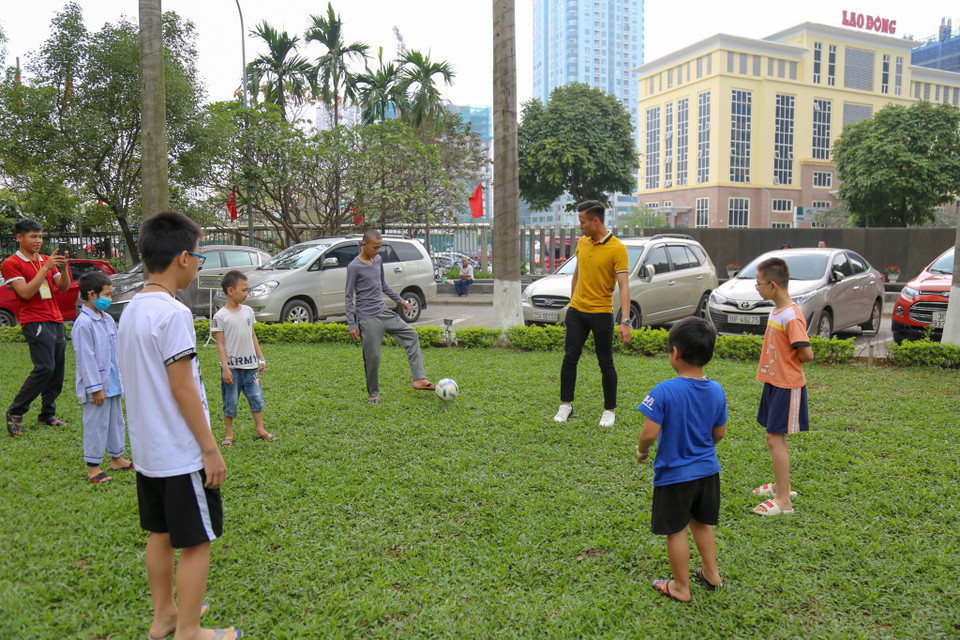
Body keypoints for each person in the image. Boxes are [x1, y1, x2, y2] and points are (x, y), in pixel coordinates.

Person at [117, 211, 240, 640]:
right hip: (180, 451)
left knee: (160, 534)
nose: (199, 264)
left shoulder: (131, 309)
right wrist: (209, 448)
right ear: (183, 258)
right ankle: (189, 630)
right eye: (200, 257)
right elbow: (183, 389)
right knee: (196, 542)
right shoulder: (172, 314)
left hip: (149, 451)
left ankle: (165, 615)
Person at [636, 317, 727, 602]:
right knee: (701, 524)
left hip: (675, 476)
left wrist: (642, 451)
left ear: (675, 352)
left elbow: (649, 434)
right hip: (708, 473)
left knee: (675, 530)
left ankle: (680, 587)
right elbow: (719, 433)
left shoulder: (664, 390)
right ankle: (712, 575)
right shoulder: (717, 390)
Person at [554, 200, 632, 427]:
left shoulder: (617, 248)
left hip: (601, 313)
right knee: (570, 358)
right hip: (577, 311)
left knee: (605, 362)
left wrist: (625, 321)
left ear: (595, 221)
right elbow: (577, 272)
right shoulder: (583, 243)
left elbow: (624, 286)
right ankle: (565, 405)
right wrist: (572, 301)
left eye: (582, 222)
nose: (580, 226)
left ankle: (609, 410)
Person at [751, 257, 814, 516]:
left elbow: (807, 354)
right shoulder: (777, 310)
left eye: (759, 284)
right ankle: (781, 486)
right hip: (774, 382)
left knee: (774, 437)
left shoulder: (790, 315)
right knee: (774, 435)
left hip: (787, 385)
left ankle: (783, 500)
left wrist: (786, 364)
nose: (758, 288)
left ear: (773, 285)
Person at [346, 229, 435, 404]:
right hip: (367, 318)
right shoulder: (354, 266)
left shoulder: (378, 260)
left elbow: (383, 284)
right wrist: (352, 324)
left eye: (380, 247)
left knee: (411, 335)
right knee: (373, 358)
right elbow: (349, 296)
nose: (378, 251)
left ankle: (419, 379)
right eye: (375, 247)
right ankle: (373, 395)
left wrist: (400, 300)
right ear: (364, 245)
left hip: (383, 312)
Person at [2, 218, 71, 436]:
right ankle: (15, 411)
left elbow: (63, 287)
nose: (38, 240)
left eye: (40, 236)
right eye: (33, 236)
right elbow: (25, 292)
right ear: (19, 238)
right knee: (45, 368)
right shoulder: (11, 263)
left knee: (57, 372)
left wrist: (64, 267)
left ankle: (47, 414)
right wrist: (45, 267)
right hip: (34, 320)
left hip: (56, 320)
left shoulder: (45, 260)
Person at [72, 271, 133, 483]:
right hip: (97, 385)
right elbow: (85, 359)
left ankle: (117, 458)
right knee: (96, 425)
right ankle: (94, 468)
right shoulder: (83, 324)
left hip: (113, 381)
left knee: (116, 422)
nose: (110, 298)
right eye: (107, 294)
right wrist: (94, 387)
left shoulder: (106, 318)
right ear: (91, 295)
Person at [211, 270, 273, 447]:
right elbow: (220, 344)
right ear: (230, 290)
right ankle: (229, 434)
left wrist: (260, 358)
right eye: (244, 290)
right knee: (231, 401)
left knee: (256, 397)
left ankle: (260, 430)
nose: (247, 294)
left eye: (248, 290)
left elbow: (252, 335)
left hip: (251, 367)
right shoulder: (220, 316)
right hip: (232, 369)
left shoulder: (248, 311)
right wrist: (225, 368)